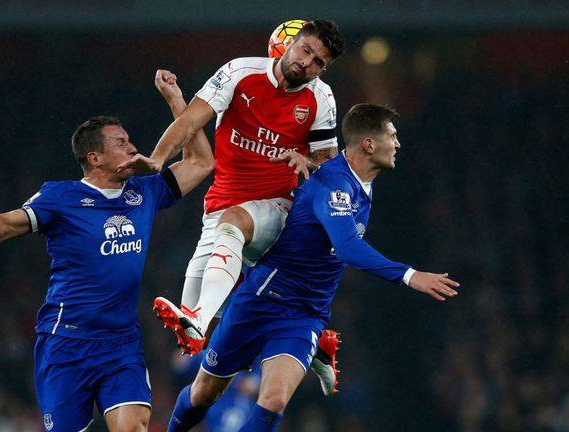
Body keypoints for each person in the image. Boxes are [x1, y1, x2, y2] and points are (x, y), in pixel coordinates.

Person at [163, 103, 461, 431]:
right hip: (261, 300)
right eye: (392, 136)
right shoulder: (336, 184)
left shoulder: (361, 180)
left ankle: (318, 342)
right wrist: (409, 275)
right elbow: (348, 247)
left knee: (273, 399)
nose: (399, 143)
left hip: (305, 315)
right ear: (369, 144)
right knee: (204, 394)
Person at [0, 70, 213, 432]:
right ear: (94, 157)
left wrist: (176, 101)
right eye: (121, 143)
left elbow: (202, 162)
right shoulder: (60, 197)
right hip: (66, 343)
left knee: (134, 427)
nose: (133, 148)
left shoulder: (144, 192)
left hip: (121, 343)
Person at [120, 19, 347, 395]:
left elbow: (329, 167)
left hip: (279, 210)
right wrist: (158, 159)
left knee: (232, 227)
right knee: (205, 338)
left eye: (319, 62)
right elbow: (193, 120)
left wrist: (311, 165)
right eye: (306, 51)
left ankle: (200, 316)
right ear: (289, 45)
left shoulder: (321, 99)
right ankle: (314, 340)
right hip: (222, 203)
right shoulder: (240, 72)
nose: (308, 64)